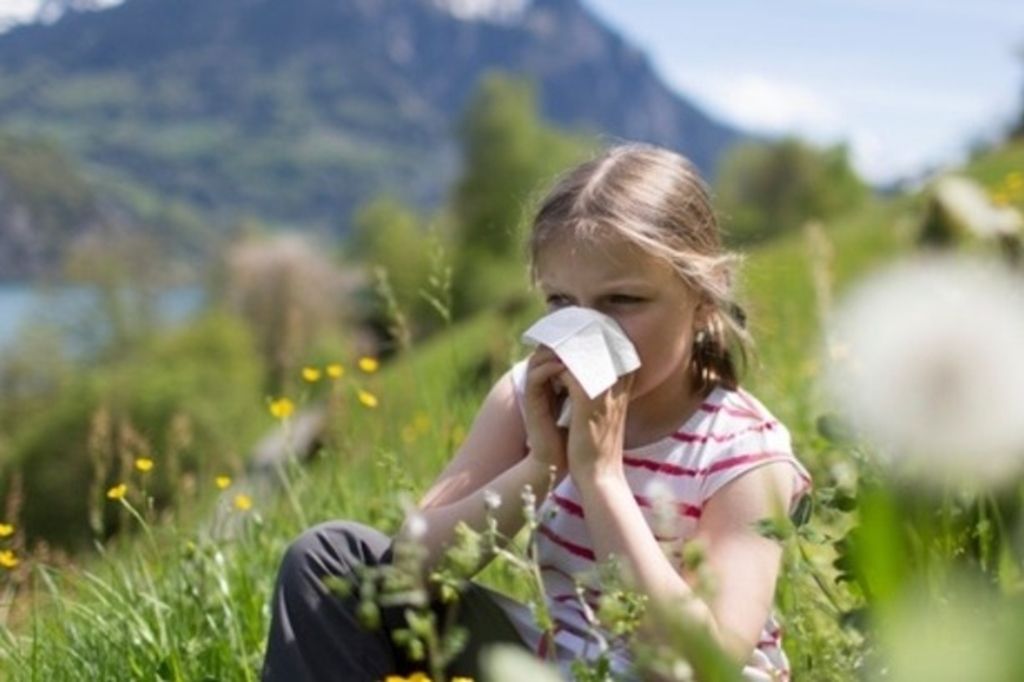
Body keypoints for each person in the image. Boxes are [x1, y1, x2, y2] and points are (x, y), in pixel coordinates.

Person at [261, 143, 812, 681]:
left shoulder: (743, 452)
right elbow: (407, 571)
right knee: (329, 558)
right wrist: (542, 466)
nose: (587, 331)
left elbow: (709, 663)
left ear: (702, 297)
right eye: (562, 304)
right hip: (557, 664)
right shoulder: (530, 398)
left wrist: (601, 478)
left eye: (624, 301)